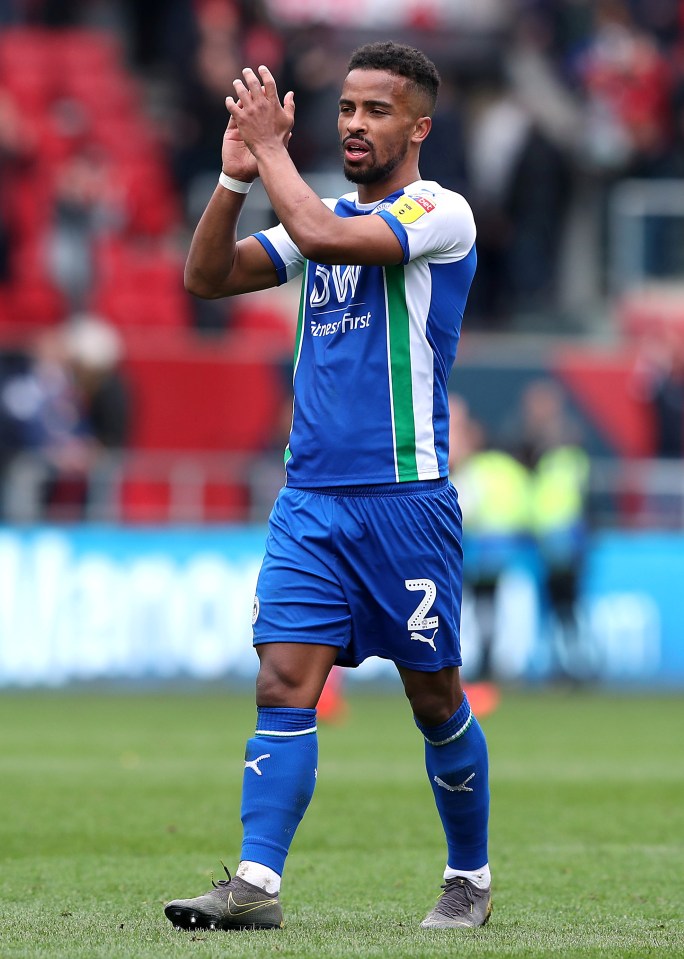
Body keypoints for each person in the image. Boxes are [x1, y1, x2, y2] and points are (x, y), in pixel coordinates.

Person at [165, 41, 491, 933]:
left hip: (405, 503)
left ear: (418, 126)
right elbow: (206, 277)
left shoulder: (437, 211)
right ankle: (257, 885)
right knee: (281, 681)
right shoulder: (323, 211)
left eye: (376, 111)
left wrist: (269, 150)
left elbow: (321, 236)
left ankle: (470, 874)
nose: (354, 123)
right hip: (310, 502)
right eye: (346, 108)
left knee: (434, 698)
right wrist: (234, 179)